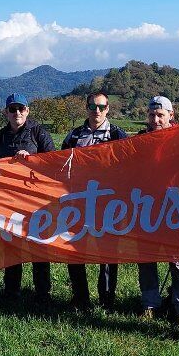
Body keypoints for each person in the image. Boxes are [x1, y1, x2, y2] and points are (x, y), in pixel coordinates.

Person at [61, 91, 128, 310]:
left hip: (109, 203)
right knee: (74, 249)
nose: (96, 111)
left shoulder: (118, 135)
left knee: (108, 252)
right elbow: (60, 165)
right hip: (78, 201)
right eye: (92, 106)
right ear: (86, 108)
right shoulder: (74, 135)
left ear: (108, 108)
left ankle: (107, 300)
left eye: (101, 106)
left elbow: (130, 166)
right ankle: (80, 297)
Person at [0, 93, 57, 305]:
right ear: (6, 113)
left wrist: (32, 160)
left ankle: (42, 294)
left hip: (37, 200)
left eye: (21, 109)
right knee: (11, 245)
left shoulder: (39, 133)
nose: (17, 113)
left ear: (27, 111)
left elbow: (54, 163)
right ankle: (11, 291)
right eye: (12, 109)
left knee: (38, 245)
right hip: (9, 199)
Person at [136, 96, 179, 326]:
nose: (156, 119)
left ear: (171, 115)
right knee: (146, 258)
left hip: (175, 208)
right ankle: (150, 304)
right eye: (152, 115)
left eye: (161, 115)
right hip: (146, 207)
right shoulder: (140, 140)